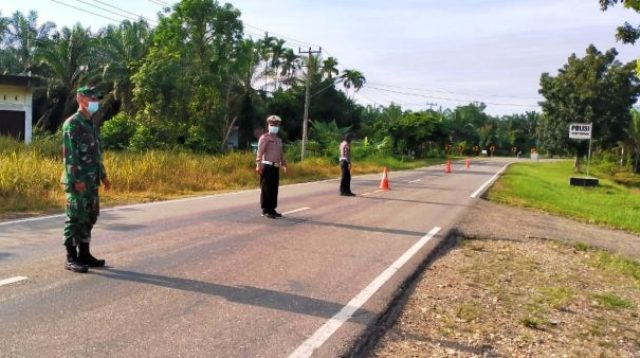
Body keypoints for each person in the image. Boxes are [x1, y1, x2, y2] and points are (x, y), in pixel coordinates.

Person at [61, 86, 111, 273]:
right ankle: (71, 257)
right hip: (78, 181)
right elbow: (69, 155)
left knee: (89, 216)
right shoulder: (72, 124)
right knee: (75, 217)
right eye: (92, 99)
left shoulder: (90, 124)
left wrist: (104, 176)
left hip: (92, 180)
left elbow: (96, 155)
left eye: (97, 99)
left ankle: (85, 254)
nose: (95, 102)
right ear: (80, 99)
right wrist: (75, 180)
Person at [256, 115, 288, 218]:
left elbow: (281, 154)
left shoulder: (279, 140)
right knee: (266, 188)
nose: (274, 126)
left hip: (275, 167)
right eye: (272, 124)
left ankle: (272, 209)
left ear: (278, 126)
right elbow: (260, 152)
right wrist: (258, 165)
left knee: (274, 189)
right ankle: (266, 210)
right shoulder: (264, 138)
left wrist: (284, 164)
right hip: (267, 166)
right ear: (268, 125)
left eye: (276, 125)